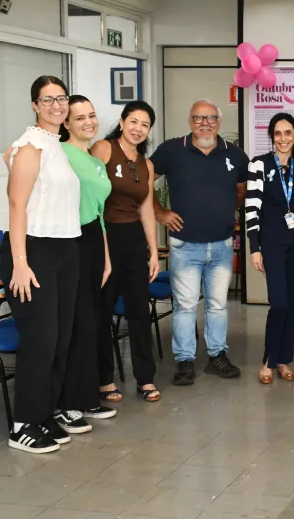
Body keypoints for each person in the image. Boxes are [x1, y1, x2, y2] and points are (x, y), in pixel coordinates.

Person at [1, 75, 80, 453]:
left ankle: (43, 412)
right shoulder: (30, 144)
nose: (56, 106)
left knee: (60, 339)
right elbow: (17, 205)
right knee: (40, 340)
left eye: (61, 98)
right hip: (33, 251)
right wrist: (20, 261)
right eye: (47, 100)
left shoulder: (55, 144)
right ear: (35, 105)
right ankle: (21, 425)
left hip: (65, 248)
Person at [151, 99, 248, 386]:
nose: (205, 123)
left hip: (221, 244)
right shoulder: (171, 150)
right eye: (198, 118)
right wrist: (160, 212)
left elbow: (241, 191)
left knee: (218, 305)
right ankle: (185, 361)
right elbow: (144, 180)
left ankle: (217, 356)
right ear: (189, 121)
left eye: (210, 118)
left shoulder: (236, 155)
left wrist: (224, 211)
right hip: (185, 245)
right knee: (185, 306)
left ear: (219, 121)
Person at [91, 101, 161, 403]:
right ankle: (104, 379)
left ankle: (145, 378)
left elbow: (146, 210)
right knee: (102, 310)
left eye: (144, 125)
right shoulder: (103, 149)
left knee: (138, 311)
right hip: (105, 236)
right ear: (122, 122)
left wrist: (154, 252)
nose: (138, 129)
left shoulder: (147, 165)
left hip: (134, 240)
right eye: (133, 121)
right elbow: (90, 196)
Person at [54, 96, 116, 431]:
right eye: (80, 118)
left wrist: (105, 256)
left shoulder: (94, 161)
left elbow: (99, 212)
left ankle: (86, 397)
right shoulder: (59, 153)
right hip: (68, 239)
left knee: (91, 323)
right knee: (74, 324)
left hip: (93, 238)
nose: (89, 122)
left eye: (92, 116)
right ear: (66, 123)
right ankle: (67, 403)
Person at [245, 113, 294, 384]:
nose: (283, 139)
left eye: (288, 133)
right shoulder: (259, 165)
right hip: (272, 241)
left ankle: (284, 360)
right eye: (278, 133)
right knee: (280, 303)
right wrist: (255, 248)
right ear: (272, 137)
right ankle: (268, 359)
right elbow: (251, 208)